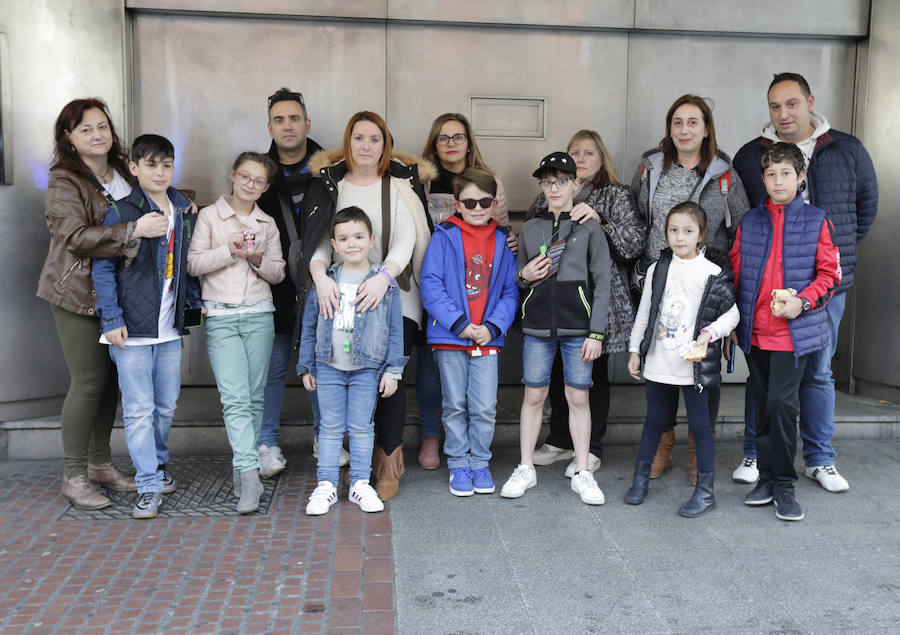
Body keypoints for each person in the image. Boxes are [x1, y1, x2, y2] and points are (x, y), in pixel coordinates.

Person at [731, 73, 877, 492]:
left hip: (823, 286)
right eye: (775, 106)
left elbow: (864, 209)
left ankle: (819, 459)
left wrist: (833, 253)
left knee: (816, 371)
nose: (784, 113)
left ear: (810, 102)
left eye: (792, 103)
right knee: (761, 377)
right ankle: (755, 454)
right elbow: (745, 214)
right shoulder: (749, 155)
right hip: (765, 291)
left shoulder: (846, 149)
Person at [36, 98, 173, 509]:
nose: (97, 135)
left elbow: (151, 203)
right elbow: (75, 237)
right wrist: (133, 229)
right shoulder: (65, 180)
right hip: (76, 293)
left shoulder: (121, 174)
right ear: (69, 138)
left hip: (119, 295)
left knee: (112, 383)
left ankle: (100, 464)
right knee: (89, 382)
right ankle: (74, 474)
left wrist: (182, 207)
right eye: (85, 130)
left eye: (102, 127)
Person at [296, 111, 434, 501]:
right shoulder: (331, 186)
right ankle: (348, 469)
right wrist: (321, 278)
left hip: (393, 295)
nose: (366, 146)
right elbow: (320, 241)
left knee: (389, 379)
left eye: (375, 139)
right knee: (342, 375)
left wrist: (383, 277)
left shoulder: (399, 184)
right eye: (359, 138)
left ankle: (387, 463)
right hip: (339, 293)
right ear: (348, 141)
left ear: (385, 144)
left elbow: (407, 240)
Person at [631, 94, 749, 484]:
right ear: (670, 128)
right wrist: (640, 273)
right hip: (659, 279)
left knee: (703, 367)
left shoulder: (724, 173)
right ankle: (663, 447)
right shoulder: (651, 168)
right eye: (677, 122)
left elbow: (741, 229)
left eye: (693, 122)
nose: (685, 129)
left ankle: (701, 450)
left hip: (705, 284)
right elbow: (638, 219)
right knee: (662, 365)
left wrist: (728, 296)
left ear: (706, 128)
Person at [729, 142, 841, 521]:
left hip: (794, 332)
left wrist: (803, 302)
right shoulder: (749, 222)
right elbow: (737, 273)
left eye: (786, 174)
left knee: (781, 402)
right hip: (757, 331)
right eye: (771, 174)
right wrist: (733, 322)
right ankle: (765, 475)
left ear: (800, 177)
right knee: (762, 404)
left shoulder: (817, 221)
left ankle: (785, 484)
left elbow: (830, 276)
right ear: (763, 179)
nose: (778, 181)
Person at [91, 134, 202, 519]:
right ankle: (149, 483)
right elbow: (102, 269)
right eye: (151, 165)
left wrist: (191, 311)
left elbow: (187, 267)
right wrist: (112, 318)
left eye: (167, 164)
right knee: (139, 410)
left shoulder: (183, 209)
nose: (160, 172)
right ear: (134, 168)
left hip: (169, 328)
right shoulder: (122, 212)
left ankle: (156, 463)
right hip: (131, 329)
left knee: (166, 405)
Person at [529, 130, 645, 478]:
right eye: (574, 151)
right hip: (552, 301)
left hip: (598, 298)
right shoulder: (548, 194)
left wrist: (599, 219)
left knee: (589, 374)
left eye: (589, 152)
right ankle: (560, 438)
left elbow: (632, 244)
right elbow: (535, 236)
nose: (580, 158)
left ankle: (591, 446)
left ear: (601, 159)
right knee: (556, 371)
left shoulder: (616, 194)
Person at [500, 152, 610, 506]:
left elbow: (603, 281)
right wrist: (523, 275)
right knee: (534, 395)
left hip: (579, 327)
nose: (554, 188)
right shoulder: (530, 228)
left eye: (562, 181)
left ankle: (582, 470)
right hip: (537, 328)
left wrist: (596, 332)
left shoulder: (590, 227)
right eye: (548, 182)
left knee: (578, 396)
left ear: (575, 184)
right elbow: (517, 278)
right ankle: (525, 466)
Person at [624, 202, 738, 517]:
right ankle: (640, 479)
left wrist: (710, 334)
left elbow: (732, 314)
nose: (679, 237)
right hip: (660, 362)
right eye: (673, 230)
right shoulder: (657, 269)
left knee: (701, 427)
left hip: (695, 366)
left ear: (701, 234)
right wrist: (636, 350)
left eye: (687, 231)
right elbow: (644, 313)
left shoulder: (712, 272)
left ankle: (705, 490)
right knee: (654, 423)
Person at [187, 152, 286, 514]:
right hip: (221, 316)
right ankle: (248, 475)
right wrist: (229, 251)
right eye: (245, 177)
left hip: (260, 314)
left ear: (266, 187)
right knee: (234, 399)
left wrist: (257, 258)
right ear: (233, 175)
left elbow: (278, 273)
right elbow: (193, 263)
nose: (250, 185)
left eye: (259, 181)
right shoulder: (210, 217)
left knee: (255, 396)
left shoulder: (268, 223)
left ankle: (244, 465)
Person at [415, 113, 514, 470]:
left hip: (485, 329)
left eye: (458, 137)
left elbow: (507, 287)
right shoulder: (424, 186)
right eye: (443, 138)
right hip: (448, 318)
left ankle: (479, 461)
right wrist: (459, 323)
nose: (451, 143)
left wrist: (492, 326)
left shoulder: (499, 232)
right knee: (449, 395)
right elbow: (431, 282)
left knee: (483, 403)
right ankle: (450, 454)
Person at [299, 207, 406, 515]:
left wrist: (393, 371)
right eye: (344, 238)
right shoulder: (326, 280)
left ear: (371, 240)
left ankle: (360, 484)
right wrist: (307, 365)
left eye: (359, 237)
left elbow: (395, 331)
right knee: (330, 427)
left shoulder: (385, 286)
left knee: (361, 427)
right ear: (334, 244)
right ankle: (327, 486)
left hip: (367, 369)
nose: (352, 244)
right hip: (329, 365)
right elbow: (309, 325)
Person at [254, 88, 330, 478]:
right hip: (274, 285)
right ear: (270, 126)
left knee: (320, 362)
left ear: (307, 124)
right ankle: (266, 443)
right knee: (274, 365)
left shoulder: (331, 169)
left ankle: (325, 438)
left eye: (294, 118)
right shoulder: (258, 173)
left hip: (321, 283)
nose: (288, 126)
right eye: (280, 120)